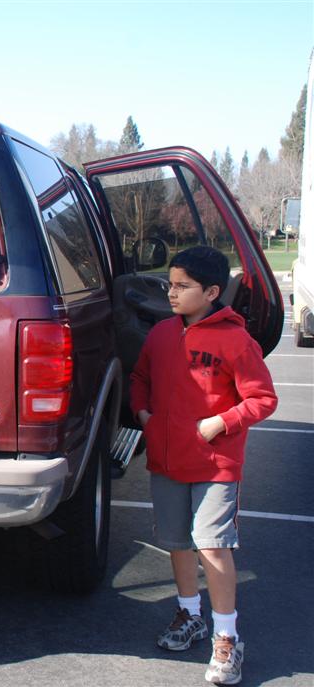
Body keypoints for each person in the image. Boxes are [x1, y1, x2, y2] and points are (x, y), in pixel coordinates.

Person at [130, 246, 277, 686]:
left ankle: (226, 638)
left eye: (183, 286)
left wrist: (221, 422)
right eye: (170, 285)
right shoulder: (160, 334)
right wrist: (144, 415)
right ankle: (189, 614)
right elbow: (140, 378)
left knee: (212, 545)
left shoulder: (236, 340)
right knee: (177, 542)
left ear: (212, 292)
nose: (172, 293)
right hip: (167, 459)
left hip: (216, 465)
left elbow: (263, 399)